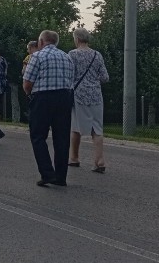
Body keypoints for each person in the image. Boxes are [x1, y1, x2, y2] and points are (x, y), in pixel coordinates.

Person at [23, 30, 74, 187]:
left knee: (38, 136)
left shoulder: (37, 56)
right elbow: (72, 79)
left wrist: (29, 94)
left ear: (41, 42)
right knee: (62, 137)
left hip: (43, 98)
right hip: (64, 97)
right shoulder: (67, 57)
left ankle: (47, 173)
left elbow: (27, 82)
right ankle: (60, 176)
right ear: (55, 42)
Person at [68, 28, 110, 173]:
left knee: (75, 126)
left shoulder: (72, 55)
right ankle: (99, 160)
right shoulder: (97, 55)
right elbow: (105, 77)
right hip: (96, 95)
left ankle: (74, 158)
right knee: (97, 129)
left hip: (78, 95)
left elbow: (69, 75)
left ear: (77, 39)